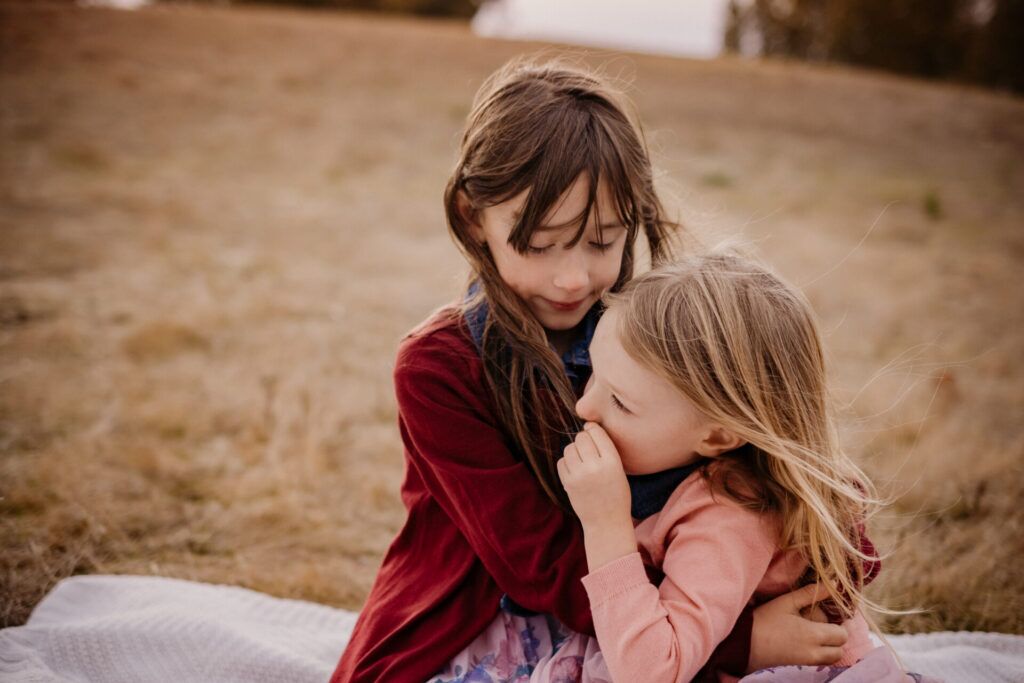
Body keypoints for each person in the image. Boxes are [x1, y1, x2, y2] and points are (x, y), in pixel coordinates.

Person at [331, 57, 867, 683]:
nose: (574, 278)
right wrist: (736, 643)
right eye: (539, 243)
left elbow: (783, 464)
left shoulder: (652, 330)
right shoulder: (438, 368)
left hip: (659, 613)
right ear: (473, 216)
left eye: (603, 240)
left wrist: (823, 570)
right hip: (500, 612)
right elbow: (539, 566)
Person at [520, 252, 926, 682]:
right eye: (592, 373)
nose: (584, 406)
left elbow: (650, 673)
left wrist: (606, 526)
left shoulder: (729, 515)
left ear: (718, 437)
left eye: (620, 402)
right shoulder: (691, 470)